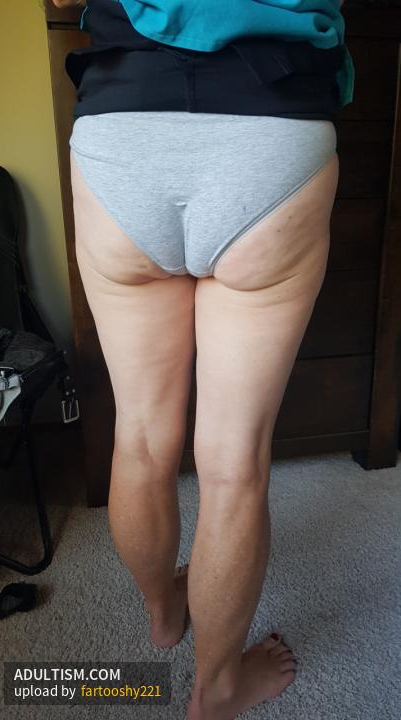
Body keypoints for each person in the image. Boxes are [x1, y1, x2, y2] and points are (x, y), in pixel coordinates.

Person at [53, 1, 352, 718]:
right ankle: (216, 690)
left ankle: (164, 612)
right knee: (233, 461)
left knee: (140, 436)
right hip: (270, 127)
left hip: (124, 122)